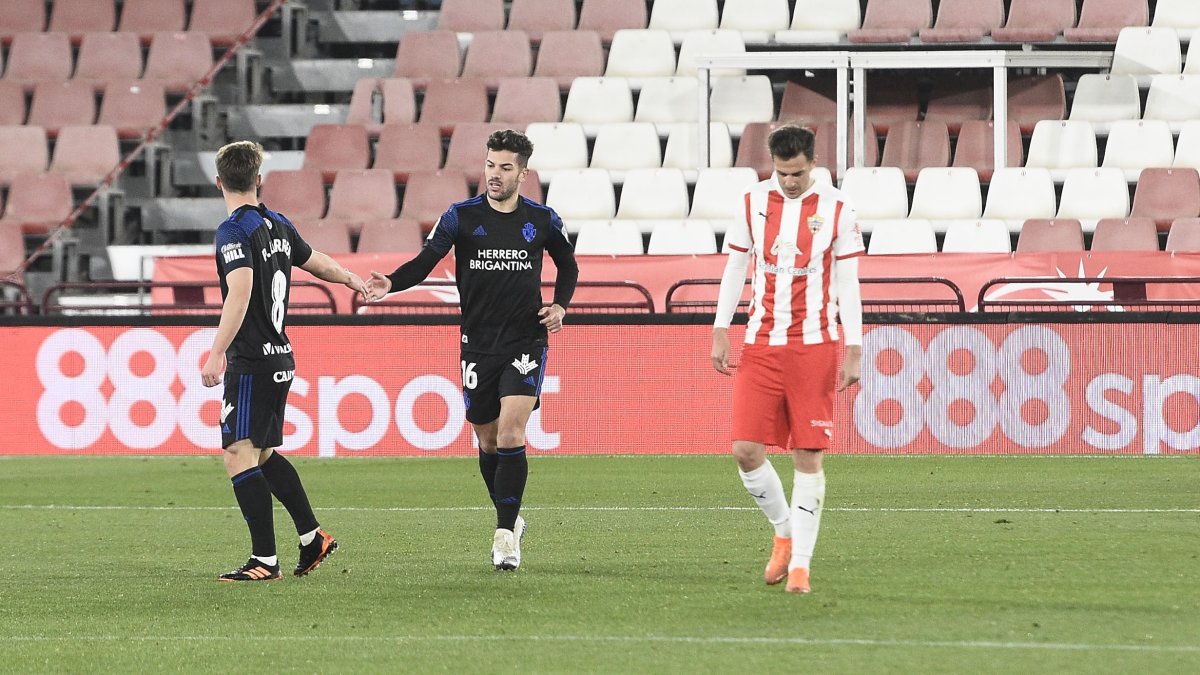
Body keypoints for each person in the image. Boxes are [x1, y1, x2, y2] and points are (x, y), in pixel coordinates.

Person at [364, 129, 578, 571]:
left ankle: (504, 537)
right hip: (478, 344)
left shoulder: (541, 220)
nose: (494, 175)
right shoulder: (461, 217)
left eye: (504, 167)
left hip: (525, 341)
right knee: (486, 439)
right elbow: (426, 262)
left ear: (523, 172)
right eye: (490, 165)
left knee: (511, 433)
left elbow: (569, 265)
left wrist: (560, 306)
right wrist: (392, 283)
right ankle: (511, 516)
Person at [201, 140, 368, 582]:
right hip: (281, 357)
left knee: (239, 455)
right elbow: (316, 263)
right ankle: (313, 538)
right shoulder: (278, 225)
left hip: (253, 359)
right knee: (263, 453)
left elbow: (239, 293)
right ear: (259, 180)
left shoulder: (234, 231)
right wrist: (351, 278)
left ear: (219, 182)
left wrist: (217, 352)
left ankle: (264, 561)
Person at [710, 125, 863, 595]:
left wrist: (854, 347)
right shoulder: (752, 202)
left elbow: (850, 282)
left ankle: (801, 565)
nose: (789, 182)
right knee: (745, 450)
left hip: (815, 346)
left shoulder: (838, 209)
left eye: (797, 173)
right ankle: (783, 528)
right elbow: (736, 264)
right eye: (781, 173)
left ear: (813, 163)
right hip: (761, 344)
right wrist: (720, 329)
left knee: (807, 454)